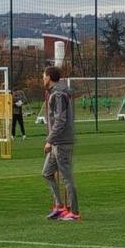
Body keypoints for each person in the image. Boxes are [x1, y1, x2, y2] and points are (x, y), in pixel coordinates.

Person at [41, 66, 80, 221]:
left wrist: (49, 140)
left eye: (43, 76)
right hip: (57, 142)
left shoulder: (58, 94)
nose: (42, 79)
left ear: (49, 77)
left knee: (66, 177)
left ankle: (74, 212)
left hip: (61, 142)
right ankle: (59, 206)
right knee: (47, 173)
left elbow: (60, 120)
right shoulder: (56, 93)